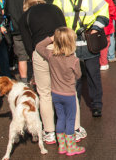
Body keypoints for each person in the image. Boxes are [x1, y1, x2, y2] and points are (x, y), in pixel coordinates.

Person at [20, 0, 87, 144]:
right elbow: (64, 29)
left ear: (26, 5)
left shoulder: (25, 17)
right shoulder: (55, 9)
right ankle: (75, 129)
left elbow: (28, 45)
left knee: (44, 93)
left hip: (41, 50)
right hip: (62, 48)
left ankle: (49, 131)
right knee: (69, 89)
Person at [53, 0, 109, 118]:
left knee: (93, 75)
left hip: (88, 39)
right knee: (72, 77)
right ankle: (74, 104)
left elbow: (104, 10)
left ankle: (97, 105)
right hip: (70, 42)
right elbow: (55, 17)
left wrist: (96, 28)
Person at [36, 27, 85, 156]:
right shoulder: (74, 60)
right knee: (70, 119)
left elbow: (39, 46)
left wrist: (51, 38)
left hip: (56, 93)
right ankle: (71, 146)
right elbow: (79, 75)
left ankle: (62, 146)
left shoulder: (51, 56)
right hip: (69, 94)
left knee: (60, 118)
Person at [6, 0, 53, 83]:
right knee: (36, 53)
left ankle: (24, 80)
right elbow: (50, 1)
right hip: (35, 28)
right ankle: (37, 78)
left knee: (21, 57)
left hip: (17, 29)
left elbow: (7, 11)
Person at [89, 0, 116, 70]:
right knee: (104, 44)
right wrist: (114, 18)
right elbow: (112, 9)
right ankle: (103, 63)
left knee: (91, 43)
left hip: (91, 24)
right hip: (106, 24)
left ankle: (94, 63)